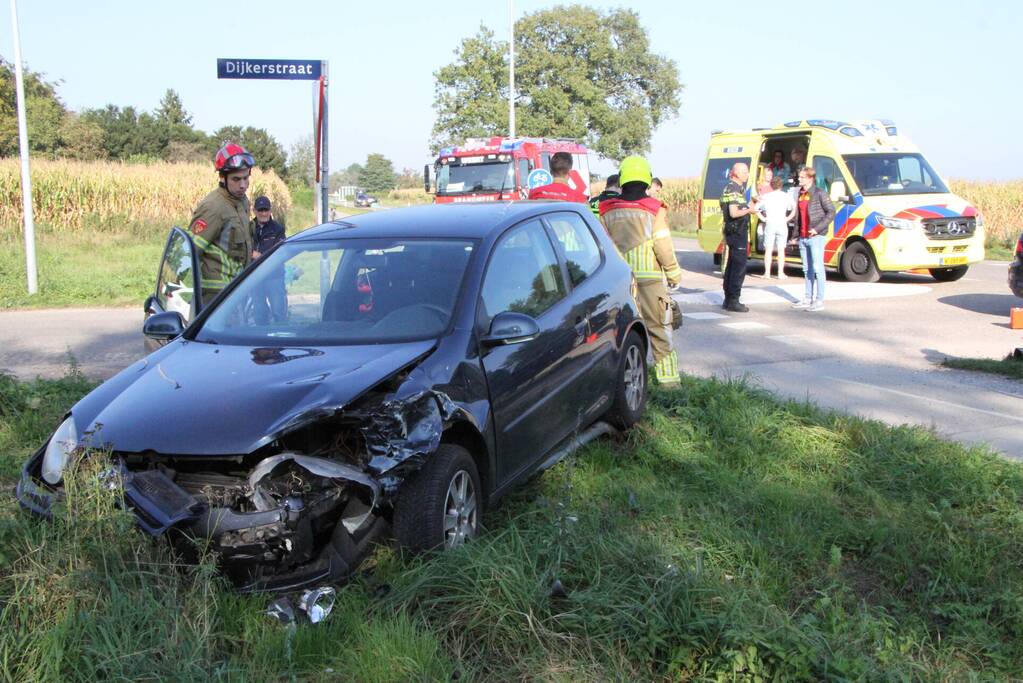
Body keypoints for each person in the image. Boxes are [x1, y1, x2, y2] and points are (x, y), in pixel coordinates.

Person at [599, 156, 683, 385]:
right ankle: (669, 384)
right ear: (647, 180)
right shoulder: (655, 210)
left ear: (622, 179)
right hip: (651, 282)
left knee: (618, 333)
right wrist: (674, 274)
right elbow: (663, 246)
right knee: (660, 329)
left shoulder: (606, 210)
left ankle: (623, 382)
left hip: (619, 283)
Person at [190, 142, 255, 305]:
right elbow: (190, 252)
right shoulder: (213, 208)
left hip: (236, 291)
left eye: (246, 178)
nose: (242, 185)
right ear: (222, 177)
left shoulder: (242, 203)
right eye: (236, 179)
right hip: (215, 298)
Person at [791, 167, 835, 311]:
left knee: (817, 268)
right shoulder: (800, 193)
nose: (799, 179)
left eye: (802, 177)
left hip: (815, 236)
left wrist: (818, 229)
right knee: (806, 269)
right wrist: (795, 236)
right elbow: (799, 216)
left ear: (810, 178)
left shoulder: (820, 193)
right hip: (804, 236)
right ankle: (808, 297)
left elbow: (831, 211)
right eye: (800, 177)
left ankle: (819, 300)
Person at [719, 162, 759, 312]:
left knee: (732, 265)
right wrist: (749, 210)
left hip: (734, 231)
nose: (747, 175)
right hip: (737, 232)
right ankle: (733, 300)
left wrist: (751, 204)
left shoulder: (734, 188)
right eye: (745, 172)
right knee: (738, 266)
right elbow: (734, 213)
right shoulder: (734, 189)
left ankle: (728, 299)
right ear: (738, 173)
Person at [249, 195, 287, 324]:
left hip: (274, 277)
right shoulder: (248, 228)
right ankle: (261, 340)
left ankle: (282, 340)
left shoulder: (278, 229)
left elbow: (280, 253)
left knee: (278, 312)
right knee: (259, 313)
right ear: (254, 211)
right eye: (260, 210)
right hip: (255, 277)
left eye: (266, 210)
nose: (263, 213)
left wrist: (258, 256)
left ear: (270, 211)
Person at [757, 177, 796, 278]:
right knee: (781, 250)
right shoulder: (786, 196)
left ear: (771, 185)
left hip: (770, 223)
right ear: (781, 185)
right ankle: (780, 273)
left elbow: (756, 208)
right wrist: (788, 218)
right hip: (782, 223)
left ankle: (767, 273)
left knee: (768, 249)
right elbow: (794, 208)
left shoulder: (766, 196)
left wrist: (763, 218)